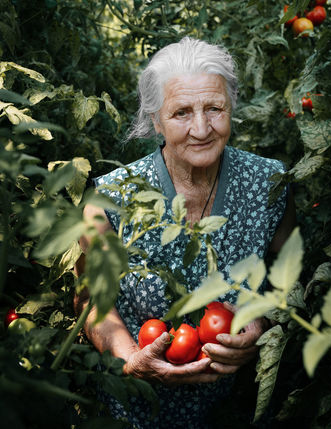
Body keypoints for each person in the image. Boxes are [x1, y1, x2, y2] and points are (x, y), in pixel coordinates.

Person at [75, 37, 296, 428]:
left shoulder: (270, 184)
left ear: (231, 109)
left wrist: (263, 324)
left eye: (215, 108)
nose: (201, 128)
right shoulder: (112, 197)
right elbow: (90, 299)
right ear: (155, 120)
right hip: (137, 412)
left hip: (237, 411)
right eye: (181, 113)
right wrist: (130, 359)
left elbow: (292, 280)